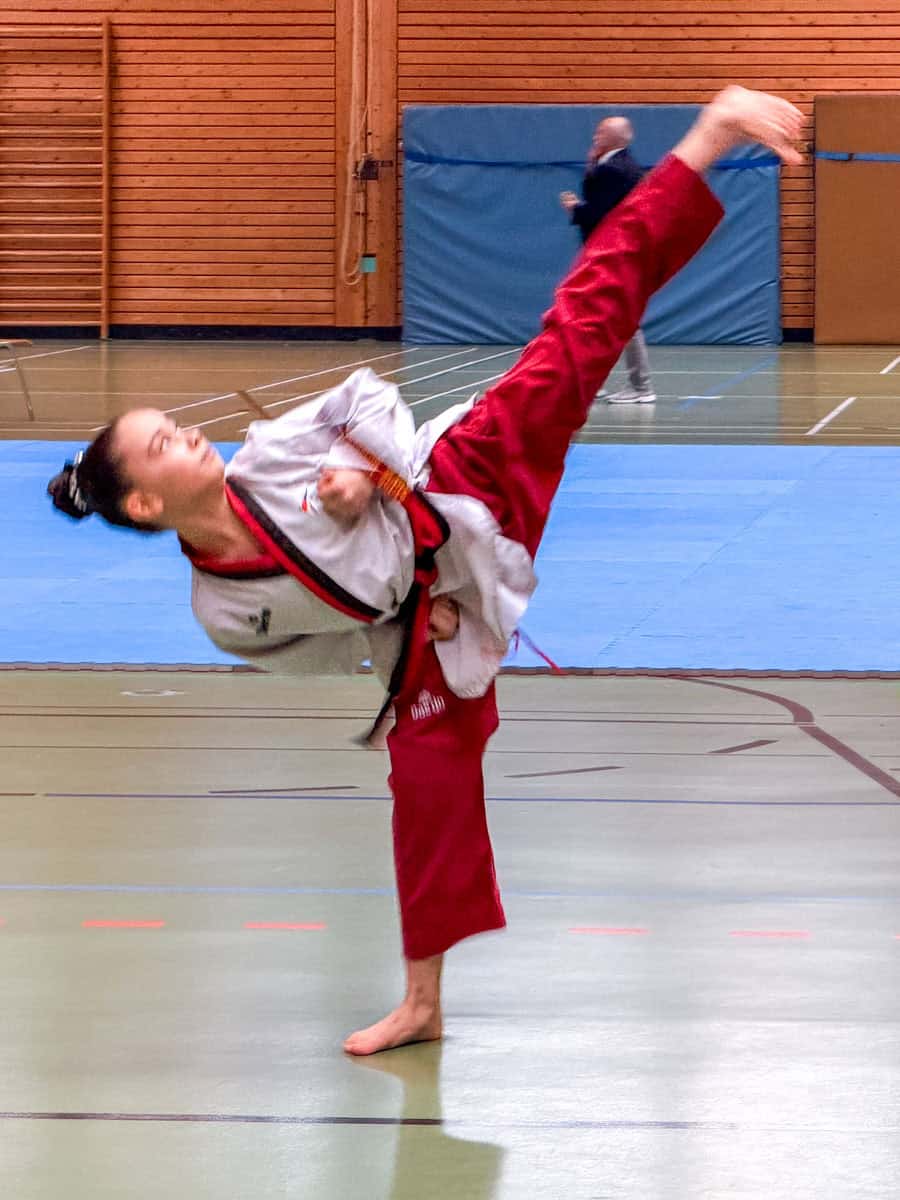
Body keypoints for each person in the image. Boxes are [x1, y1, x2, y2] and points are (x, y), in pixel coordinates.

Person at [48, 87, 804, 1056]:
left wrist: (367, 472)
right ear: (146, 502)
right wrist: (409, 625)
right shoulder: (223, 612)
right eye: (164, 440)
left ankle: (711, 135)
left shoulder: (270, 452)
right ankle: (422, 1001)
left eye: (177, 421)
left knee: (582, 326)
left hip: (454, 481)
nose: (187, 431)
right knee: (427, 779)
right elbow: (318, 647)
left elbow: (369, 394)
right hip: (434, 612)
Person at [560, 115, 656, 404]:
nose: (595, 136)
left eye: (601, 133)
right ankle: (594, 380)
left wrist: (575, 208)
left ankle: (641, 386)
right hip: (617, 253)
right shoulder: (622, 166)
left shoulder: (613, 170)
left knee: (622, 321)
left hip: (612, 254)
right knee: (598, 318)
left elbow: (602, 216)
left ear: (615, 138)